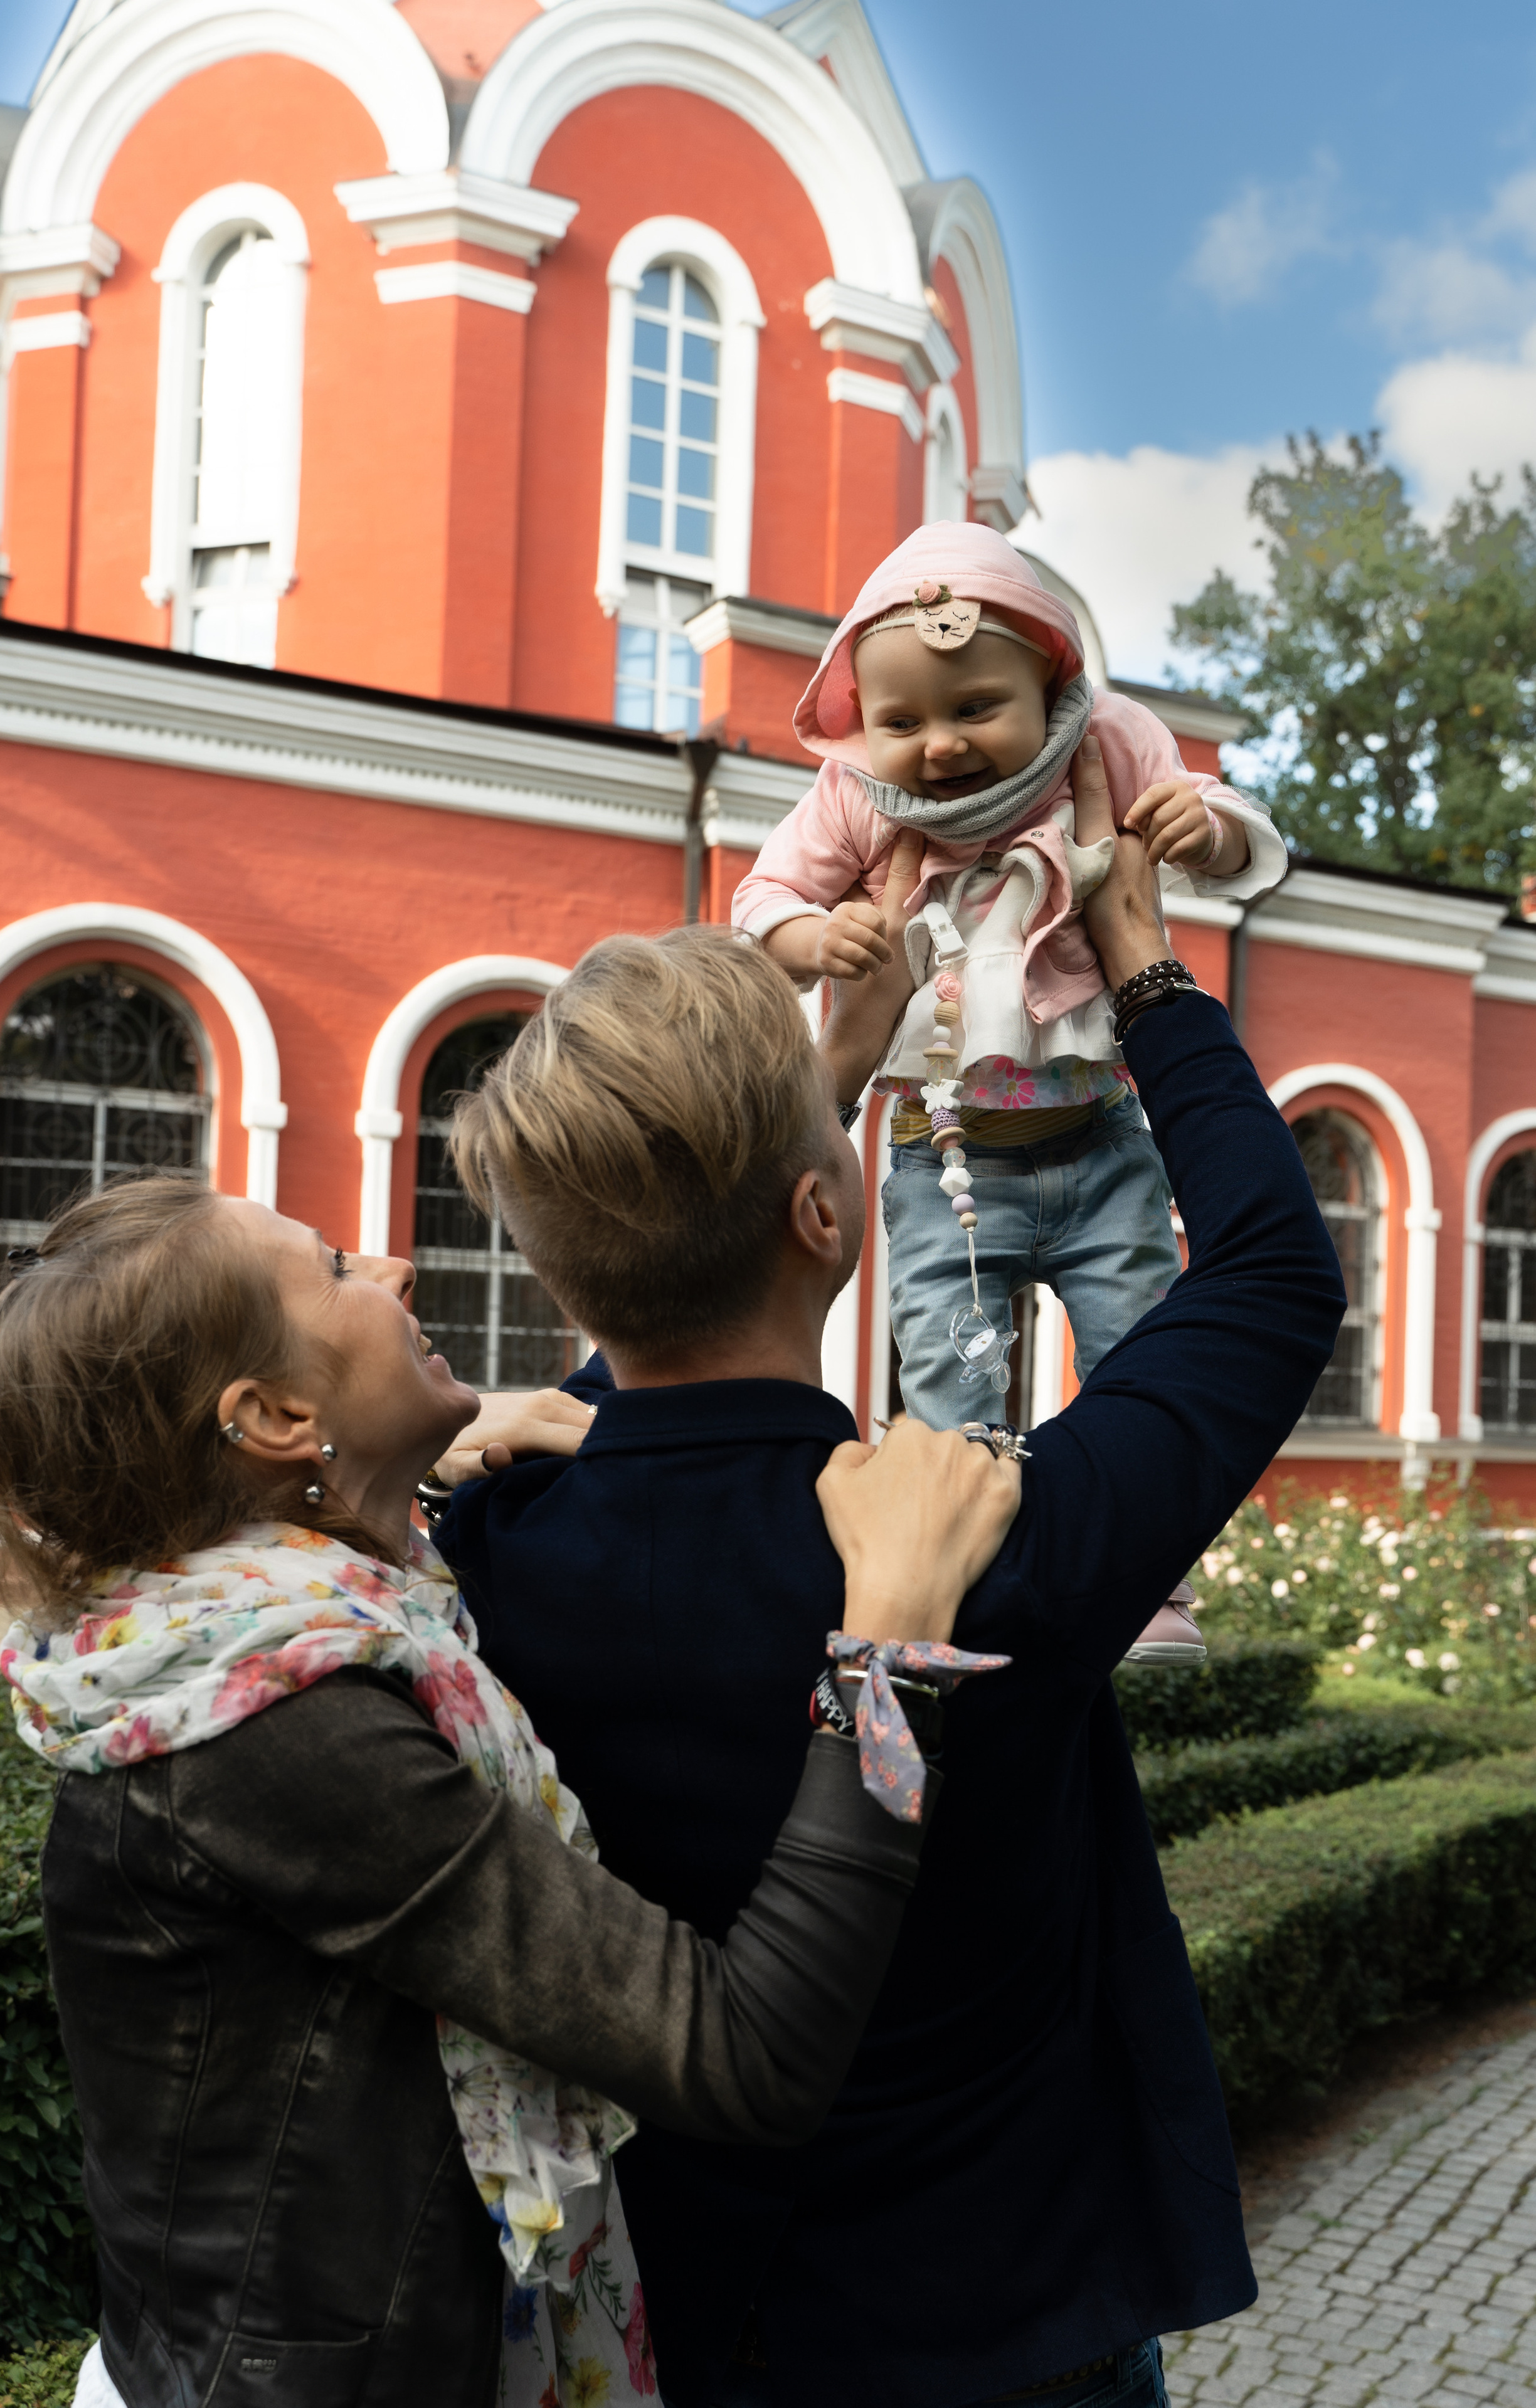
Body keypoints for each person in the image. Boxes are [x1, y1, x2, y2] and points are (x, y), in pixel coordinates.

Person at [435, 744, 1347, 2408]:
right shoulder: (978, 1542)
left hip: (686, 2328)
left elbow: (649, 1310)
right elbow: (1276, 1277)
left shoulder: (493, 1542)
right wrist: (1145, 967)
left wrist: (825, 1084)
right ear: (831, 1218)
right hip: (1008, 2330)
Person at [0, 1177, 1017, 2408]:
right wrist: (887, 1645)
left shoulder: (258, 1619)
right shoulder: (287, 1733)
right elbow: (745, 2052)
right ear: (278, 1415)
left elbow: (688, 1304)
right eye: (341, 1269)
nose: (396, 1269)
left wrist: (379, 1464)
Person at [731, 521, 1288, 1664]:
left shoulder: (1110, 735)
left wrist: (1208, 826)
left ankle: (1152, 1587)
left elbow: (1232, 828)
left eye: (975, 707)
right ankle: (958, 1585)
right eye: (902, 722)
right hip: (950, 1161)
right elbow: (761, 898)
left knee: (1138, 1355)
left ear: (1050, 676)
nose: (939, 746)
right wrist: (809, 931)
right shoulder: (853, 799)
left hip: (1101, 1145)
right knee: (949, 1370)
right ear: (859, 724)